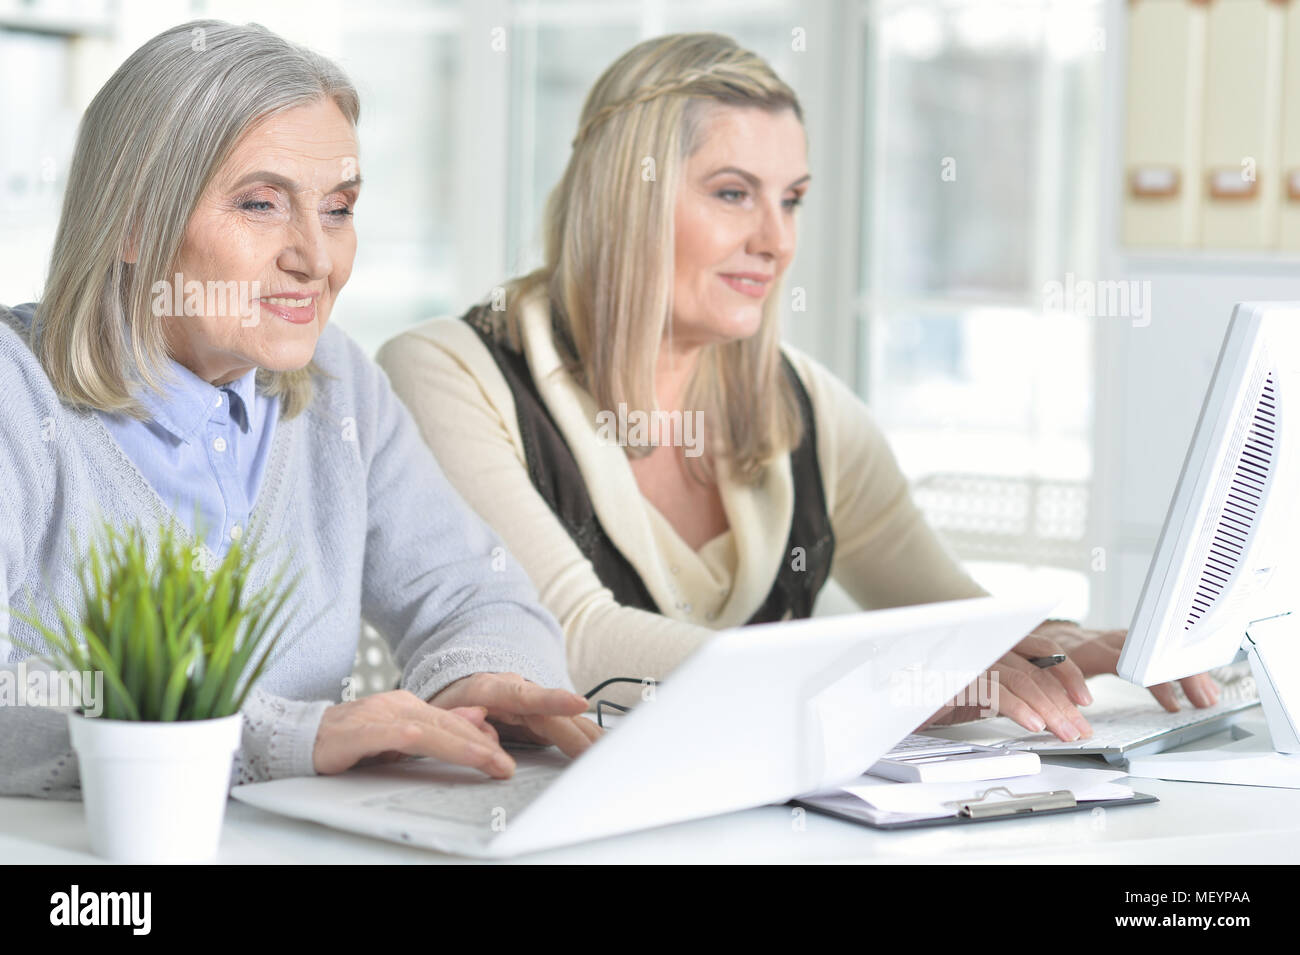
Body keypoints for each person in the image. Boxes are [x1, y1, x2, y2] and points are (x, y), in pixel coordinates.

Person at [377, 32, 1219, 738]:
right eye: (734, 194)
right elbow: (575, 641)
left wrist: (1063, 643)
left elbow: (949, 616)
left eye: (794, 199)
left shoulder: (804, 405)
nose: (776, 241)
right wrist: (895, 680)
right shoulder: (450, 374)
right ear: (620, 201)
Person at [0, 20, 598, 800]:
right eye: (260, 204)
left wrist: (480, 679)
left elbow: (478, 594)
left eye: (339, 210)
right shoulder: (19, 394)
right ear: (132, 222)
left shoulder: (338, 381)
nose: (315, 259)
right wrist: (286, 736)